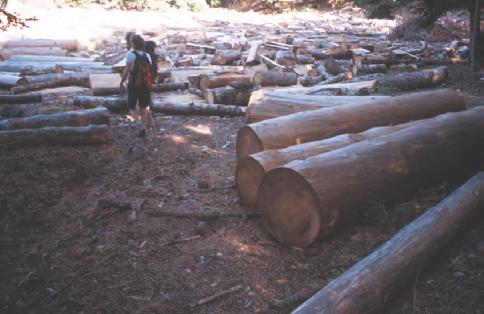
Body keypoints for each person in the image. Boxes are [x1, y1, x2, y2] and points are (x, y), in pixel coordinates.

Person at [120, 34, 153, 138]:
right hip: (146, 84)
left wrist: (121, 83)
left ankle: (140, 126)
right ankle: (144, 125)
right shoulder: (147, 55)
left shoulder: (130, 55)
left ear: (133, 44)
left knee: (132, 106)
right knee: (144, 106)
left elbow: (127, 71)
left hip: (134, 84)